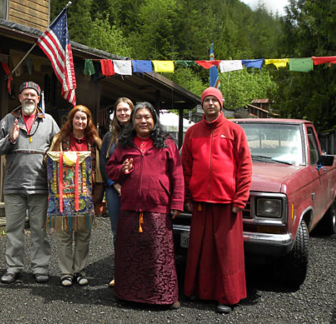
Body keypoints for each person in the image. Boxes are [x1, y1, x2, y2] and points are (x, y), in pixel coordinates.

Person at [106, 102, 184, 309]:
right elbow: (110, 169)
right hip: (130, 207)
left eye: (147, 117)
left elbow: (177, 175)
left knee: (158, 254)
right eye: (138, 117)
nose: (143, 121)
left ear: (154, 120)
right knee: (130, 253)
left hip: (158, 207)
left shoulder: (167, 144)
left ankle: (163, 297)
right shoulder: (124, 144)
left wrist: (177, 202)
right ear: (133, 121)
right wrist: (122, 169)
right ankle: (127, 295)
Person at [181, 87, 252, 314]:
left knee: (227, 252)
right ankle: (197, 291)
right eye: (206, 100)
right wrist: (188, 197)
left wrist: (240, 199)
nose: (210, 104)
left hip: (227, 203)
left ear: (221, 104)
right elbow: (185, 168)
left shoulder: (235, 131)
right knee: (200, 249)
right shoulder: (192, 133)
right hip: (200, 201)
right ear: (202, 105)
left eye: (214, 100)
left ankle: (227, 297)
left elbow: (245, 167)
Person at [0, 81, 60, 284]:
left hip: (40, 186)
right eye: (26, 94)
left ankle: (40, 268)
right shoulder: (8, 120)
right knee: (13, 229)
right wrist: (9, 140)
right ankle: (13, 267)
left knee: (39, 230)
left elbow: (59, 147)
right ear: (19, 97)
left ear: (38, 99)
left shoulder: (48, 121)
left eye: (33, 95)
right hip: (14, 185)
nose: (29, 98)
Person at [47, 105, 103, 287]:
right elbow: (48, 163)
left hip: (86, 194)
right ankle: (65, 272)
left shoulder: (95, 142)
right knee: (64, 235)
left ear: (88, 121)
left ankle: (79, 270)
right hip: (63, 196)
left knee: (83, 235)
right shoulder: (59, 139)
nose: (80, 121)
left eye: (84, 118)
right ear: (71, 120)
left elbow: (101, 169)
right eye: (77, 118)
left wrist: (98, 194)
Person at [99, 97, 134, 288]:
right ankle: (119, 272)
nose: (123, 114)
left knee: (137, 229)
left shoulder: (139, 133)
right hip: (114, 190)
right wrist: (114, 184)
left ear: (132, 111)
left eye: (126, 110)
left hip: (136, 188)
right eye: (119, 110)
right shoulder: (109, 137)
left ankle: (136, 270)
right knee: (117, 232)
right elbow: (104, 164)